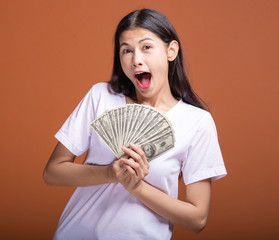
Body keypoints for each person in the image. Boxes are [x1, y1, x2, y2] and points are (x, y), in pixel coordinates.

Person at [43, 8, 227, 240]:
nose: (136, 60)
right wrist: (110, 173)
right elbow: (52, 172)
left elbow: (197, 219)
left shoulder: (198, 123)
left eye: (146, 47)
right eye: (126, 51)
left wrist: (137, 187)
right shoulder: (100, 96)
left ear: (171, 50)